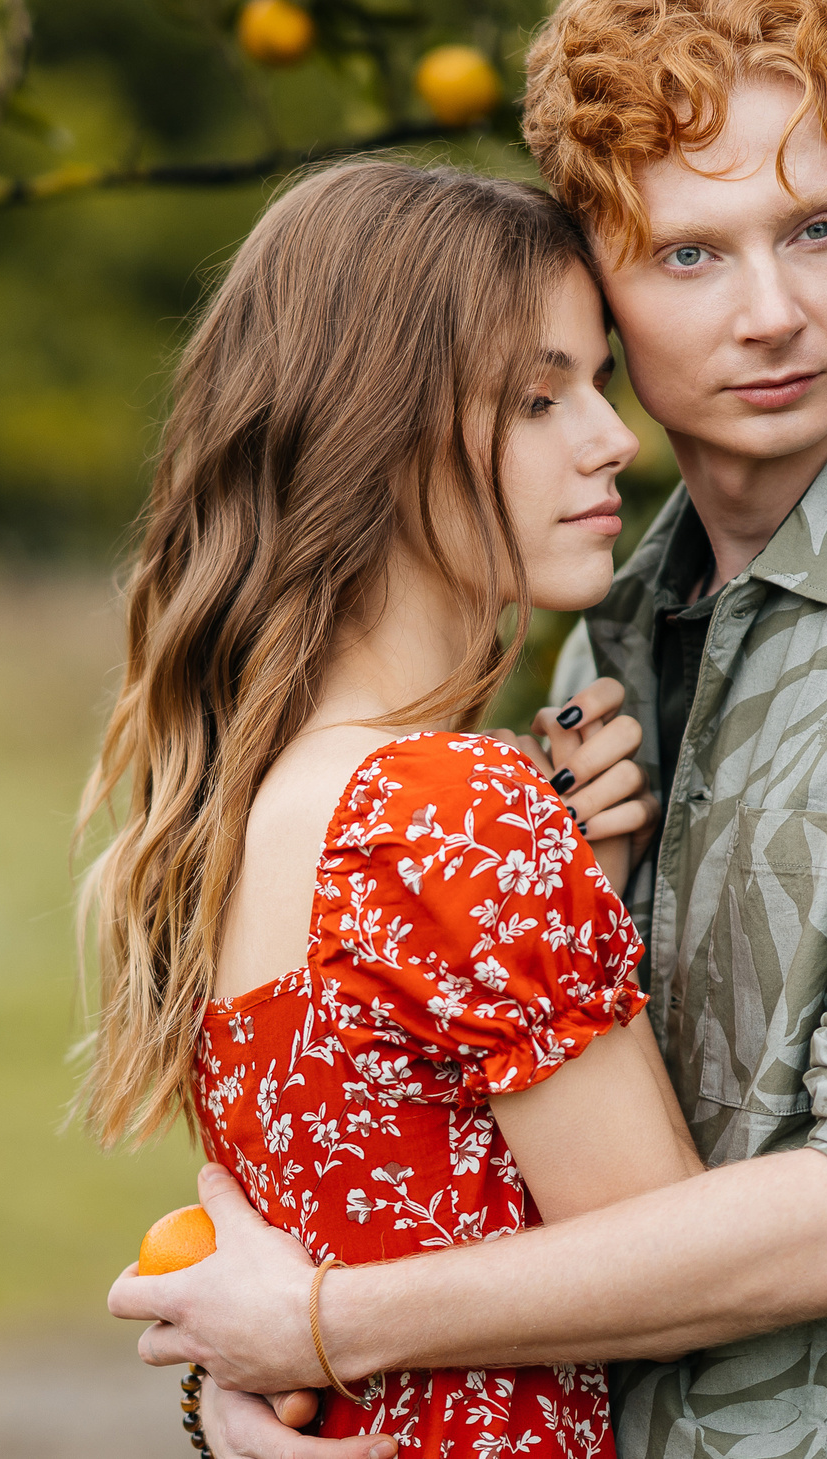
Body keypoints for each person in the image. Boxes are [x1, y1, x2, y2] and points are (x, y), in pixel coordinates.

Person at [110, 0, 827, 1459]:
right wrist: (255, 1394)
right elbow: (440, 1127)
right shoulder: (608, 635)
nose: (773, 311)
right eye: (692, 254)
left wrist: (318, 1329)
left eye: (817, 227)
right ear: (594, 283)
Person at [79, 158, 704, 1458]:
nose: (613, 440)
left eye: (599, 383)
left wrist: (574, 873)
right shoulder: (448, 808)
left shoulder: (243, 805)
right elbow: (680, 1271)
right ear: (376, 427)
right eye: (540, 399)